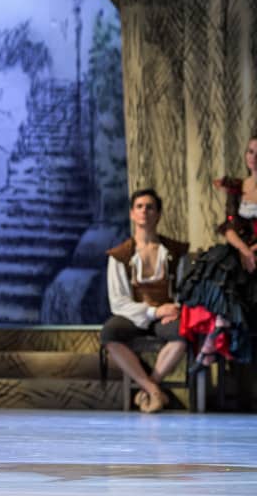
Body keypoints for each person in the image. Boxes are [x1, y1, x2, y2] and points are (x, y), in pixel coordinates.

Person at [100, 188, 189, 413]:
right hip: (134, 316)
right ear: (132, 214)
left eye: (150, 207)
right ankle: (154, 390)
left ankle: (149, 388)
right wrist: (153, 312)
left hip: (167, 315)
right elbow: (118, 302)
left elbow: (185, 289)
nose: (144, 212)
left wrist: (174, 309)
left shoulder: (174, 252)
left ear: (158, 214)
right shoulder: (120, 255)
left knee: (184, 334)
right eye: (139, 207)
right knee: (110, 333)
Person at [178, 135, 257, 369]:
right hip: (240, 248)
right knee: (213, 268)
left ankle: (216, 337)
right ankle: (219, 326)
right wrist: (244, 250)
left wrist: (253, 251)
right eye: (251, 151)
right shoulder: (238, 187)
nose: (255, 158)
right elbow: (229, 226)